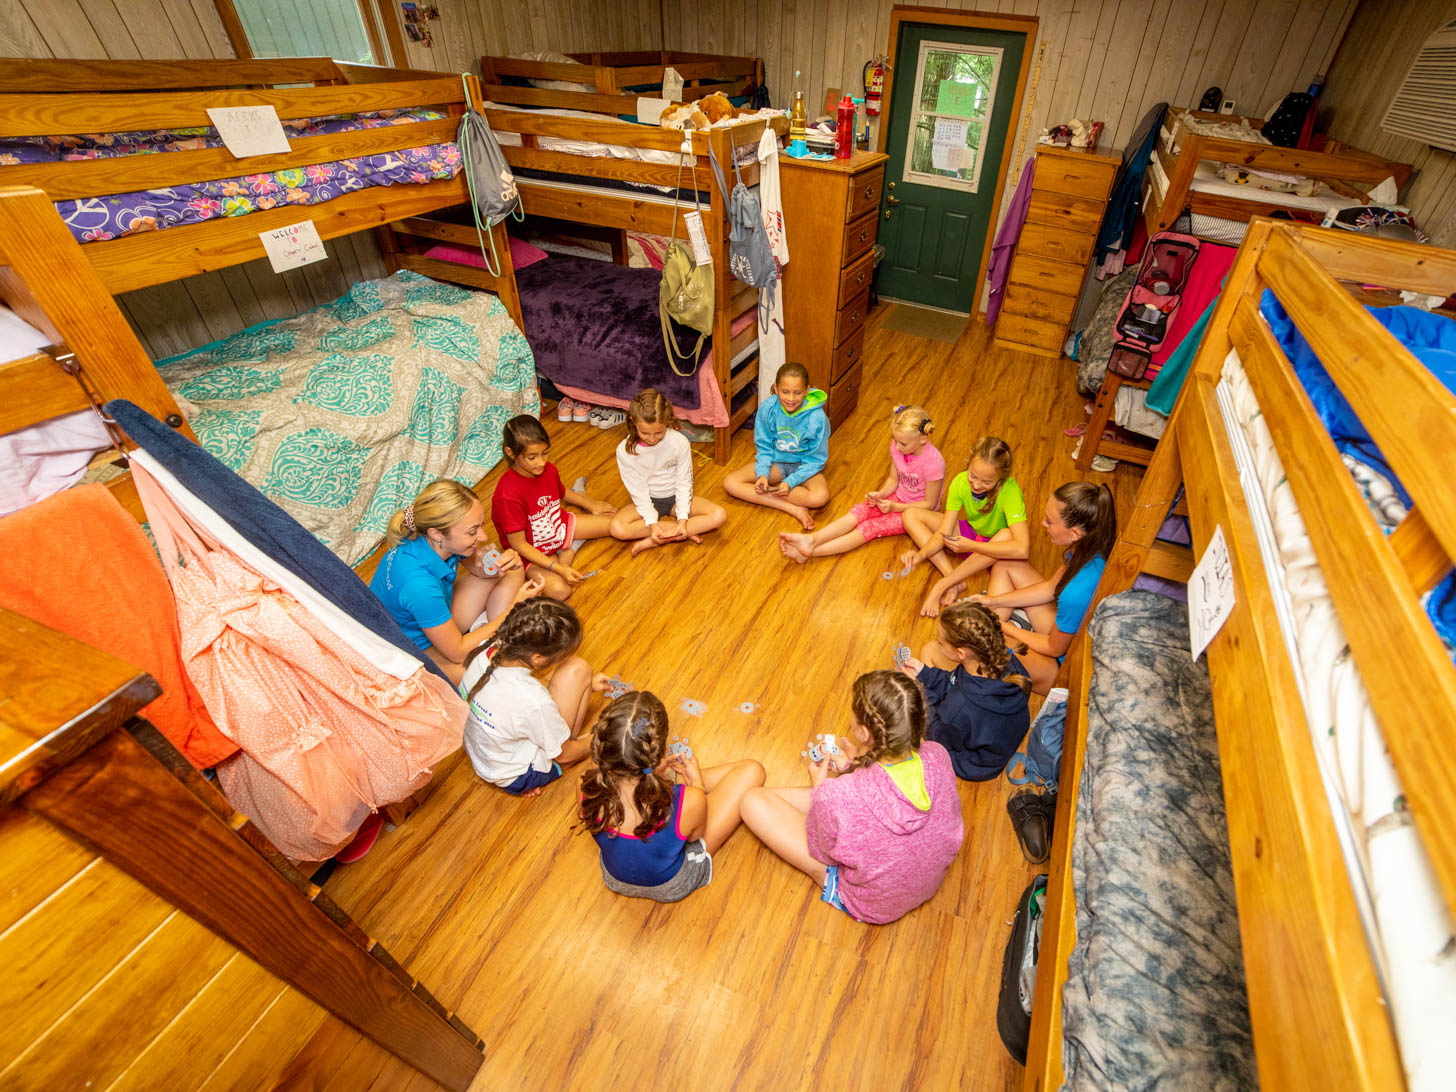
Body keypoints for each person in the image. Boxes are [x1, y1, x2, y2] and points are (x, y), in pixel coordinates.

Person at [739, 671, 964, 924]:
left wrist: (821, 789)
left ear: (866, 733)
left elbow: (823, 852)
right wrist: (853, 766)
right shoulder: (937, 753)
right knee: (776, 799)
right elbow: (889, 794)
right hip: (925, 882)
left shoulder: (838, 796)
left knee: (751, 801)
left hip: (873, 904)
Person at [579, 690, 765, 902]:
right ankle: (668, 779)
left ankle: (653, 777)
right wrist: (697, 786)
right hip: (671, 884)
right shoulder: (690, 800)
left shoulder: (585, 785)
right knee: (753, 770)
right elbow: (695, 837)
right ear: (660, 752)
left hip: (614, 878)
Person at [370, 478, 540, 684]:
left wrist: (497, 561)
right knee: (494, 676)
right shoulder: (420, 586)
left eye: (481, 526)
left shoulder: (429, 538)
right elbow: (457, 653)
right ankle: (498, 631)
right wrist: (511, 611)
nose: (483, 537)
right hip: (417, 649)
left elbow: (477, 567)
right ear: (437, 534)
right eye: (472, 531)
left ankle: (497, 633)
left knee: (513, 568)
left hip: (432, 618)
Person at [970, 481, 1117, 694]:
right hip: (1061, 632)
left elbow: (1054, 648)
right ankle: (997, 619)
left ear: (1075, 533)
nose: (1043, 523)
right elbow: (1049, 589)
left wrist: (1004, 627)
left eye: (1050, 521)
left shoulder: (1078, 592)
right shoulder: (1086, 548)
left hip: (1061, 663)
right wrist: (993, 601)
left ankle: (1000, 625)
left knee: (982, 644)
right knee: (1004, 564)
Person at [459, 598, 608, 798]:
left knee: (577, 674)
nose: (562, 659)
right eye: (560, 656)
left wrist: (587, 685)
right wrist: (599, 739)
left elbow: (510, 699)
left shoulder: (486, 648)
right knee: (578, 668)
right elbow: (564, 755)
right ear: (536, 658)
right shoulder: (533, 700)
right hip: (520, 775)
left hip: (485, 758)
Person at [778, 404, 944, 563]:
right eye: (895, 440)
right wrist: (881, 495)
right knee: (860, 511)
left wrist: (896, 507)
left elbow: (929, 504)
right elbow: (894, 479)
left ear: (923, 438)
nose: (897, 447)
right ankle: (812, 539)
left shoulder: (933, 463)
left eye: (903, 444)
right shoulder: (897, 446)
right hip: (897, 498)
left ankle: (809, 553)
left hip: (917, 511)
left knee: (870, 527)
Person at [898, 601, 1032, 781]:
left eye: (941, 642)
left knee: (909, 731)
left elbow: (936, 733)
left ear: (961, 653)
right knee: (929, 655)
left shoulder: (961, 706)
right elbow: (952, 681)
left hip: (975, 763)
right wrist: (924, 673)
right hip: (1000, 736)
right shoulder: (1003, 659)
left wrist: (920, 692)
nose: (938, 644)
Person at [900, 436, 1030, 618]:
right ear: (968, 464)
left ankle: (943, 584)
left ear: (1001, 478)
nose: (976, 485)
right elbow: (944, 532)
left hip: (992, 549)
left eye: (986, 482)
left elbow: (1023, 549)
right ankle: (954, 579)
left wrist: (971, 546)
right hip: (968, 536)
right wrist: (920, 555)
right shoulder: (960, 482)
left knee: (1007, 535)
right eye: (973, 476)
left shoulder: (1011, 491)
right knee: (910, 515)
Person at [491, 414, 617, 601]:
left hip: (558, 527)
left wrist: (590, 504)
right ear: (510, 453)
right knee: (560, 591)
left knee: (616, 524)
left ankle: (565, 549)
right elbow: (519, 545)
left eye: (545, 453)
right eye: (532, 457)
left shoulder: (548, 470)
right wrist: (558, 568)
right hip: (530, 552)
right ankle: (567, 551)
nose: (541, 462)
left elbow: (561, 492)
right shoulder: (507, 495)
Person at [608, 388, 727, 556]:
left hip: (675, 499)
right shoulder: (624, 451)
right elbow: (638, 491)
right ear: (633, 422)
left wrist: (683, 519)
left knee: (719, 515)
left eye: (659, 432)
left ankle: (657, 539)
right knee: (617, 528)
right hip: (647, 500)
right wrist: (652, 524)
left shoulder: (679, 442)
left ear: (668, 421)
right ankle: (678, 532)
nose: (652, 439)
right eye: (644, 433)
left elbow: (684, 482)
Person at [722, 362, 830, 530]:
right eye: (785, 392)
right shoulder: (767, 409)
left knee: (820, 497)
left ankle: (771, 491)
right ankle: (793, 508)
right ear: (776, 388)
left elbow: (816, 459)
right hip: (776, 464)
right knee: (731, 482)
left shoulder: (817, 418)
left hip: (805, 466)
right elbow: (764, 446)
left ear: (807, 390)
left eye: (797, 393)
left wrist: (792, 481)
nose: (791, 398)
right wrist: (763, 474)